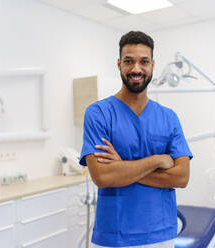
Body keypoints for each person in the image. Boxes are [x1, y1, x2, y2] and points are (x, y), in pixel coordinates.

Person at [79, 31, 192, 248]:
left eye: (144, 62)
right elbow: (102, 176)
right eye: (129, 61)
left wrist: (121, 168)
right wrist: (157, 161)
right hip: (114, 235)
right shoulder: (98, 113)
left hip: (161, 234)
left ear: (152, 65)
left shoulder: (168, 117)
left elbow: (181, 177)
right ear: (119, 64)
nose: (136, 69)